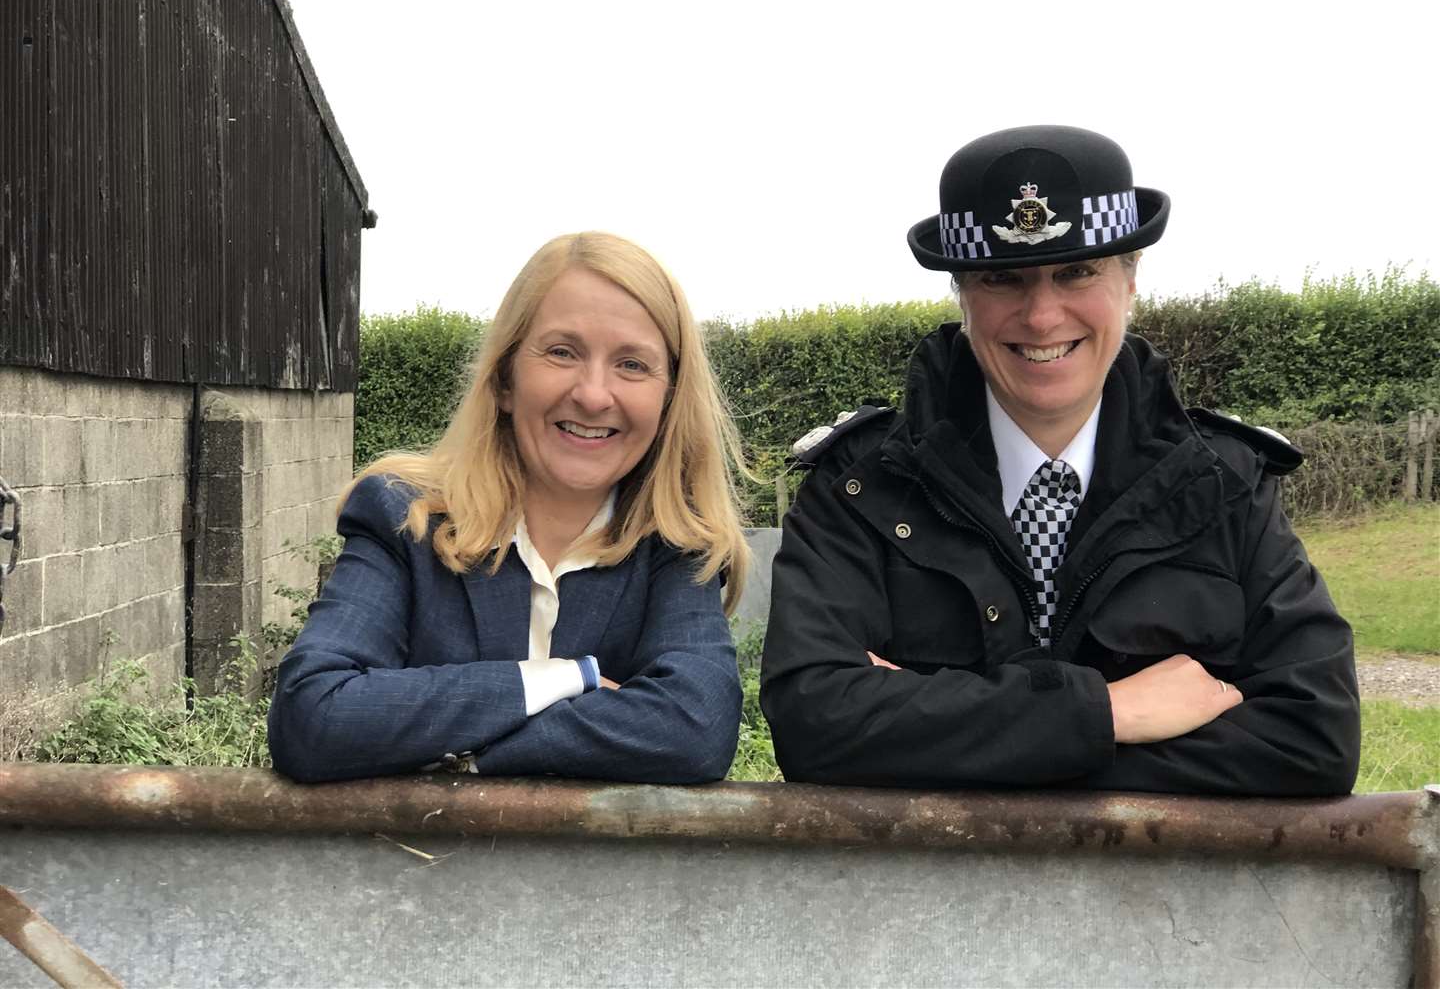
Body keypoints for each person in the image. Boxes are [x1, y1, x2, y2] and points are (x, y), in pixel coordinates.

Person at [760, 126, 1360, 795]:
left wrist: (940, 729)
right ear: (962, 293)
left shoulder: (1223, 484)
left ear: (1130, 281)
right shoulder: (861, 486)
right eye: (1002, 278)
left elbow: (1316, 738)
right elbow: (813, 725)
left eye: (1077, 271)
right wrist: (1112, 713)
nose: (1043, 315)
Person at [269, 232, 748, 783]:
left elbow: (696, 729)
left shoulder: (677, 545)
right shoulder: (403, 517)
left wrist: (463, 754)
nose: (594, 395)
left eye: (633, 365)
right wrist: (567, 678)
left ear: (668, 399)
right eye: (562, 352)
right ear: (503, 379)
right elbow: (315, 716)